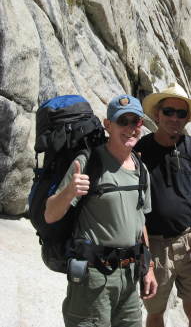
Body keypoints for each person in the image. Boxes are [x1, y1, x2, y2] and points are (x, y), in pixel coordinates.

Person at [44, 95, 157, 327]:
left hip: (129, 278)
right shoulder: (89, 162)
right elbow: (50, 215)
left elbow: (139, 221)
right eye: (122, 121)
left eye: (135, 122)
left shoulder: (140, 168)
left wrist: (149, 268)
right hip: (93, 279)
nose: (130, 128)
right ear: (108, 125)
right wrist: (70, 192)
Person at [136, 83, 191, 327]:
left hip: (190, 240)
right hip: (155, 245)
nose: (174, 118)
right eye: (169, 111)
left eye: (181, 113)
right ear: (156, 115)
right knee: (155, 311)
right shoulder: (141, 151)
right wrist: (145, 252)